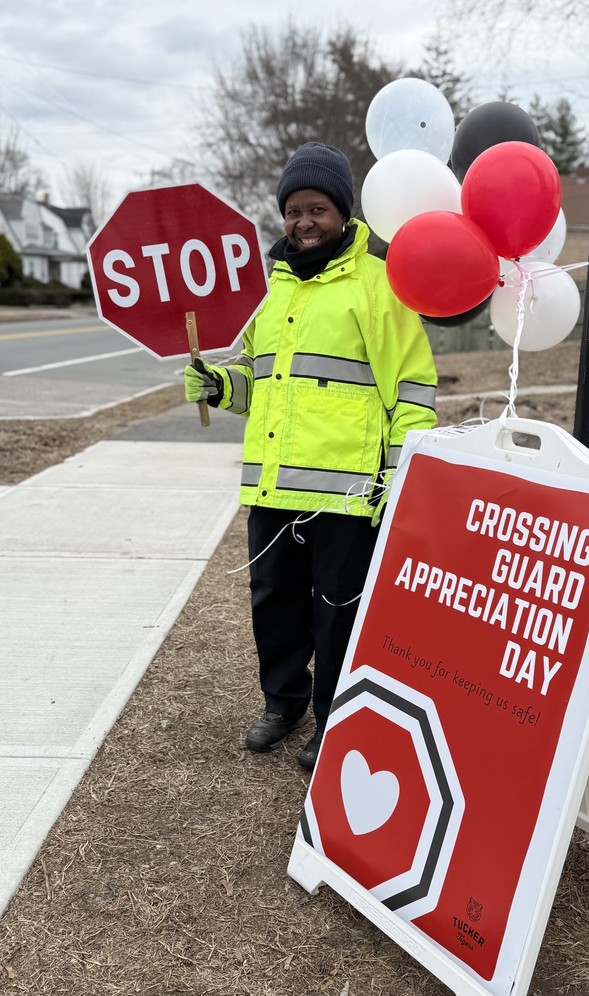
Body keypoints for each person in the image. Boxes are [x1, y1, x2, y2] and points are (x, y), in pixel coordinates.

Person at [184, 142, 438, 771]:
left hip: (349, 491)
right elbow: (259, 385)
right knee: (273, 602)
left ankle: (332, 719)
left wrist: (396, 474)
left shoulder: (380, 285)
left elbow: (410, 390)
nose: (303, 221)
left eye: (317, 208)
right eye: (293, 210)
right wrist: (222, 387)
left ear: (343, 213)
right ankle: (284, 702)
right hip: (272, 488)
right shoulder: (264, 295)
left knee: (337, 612)